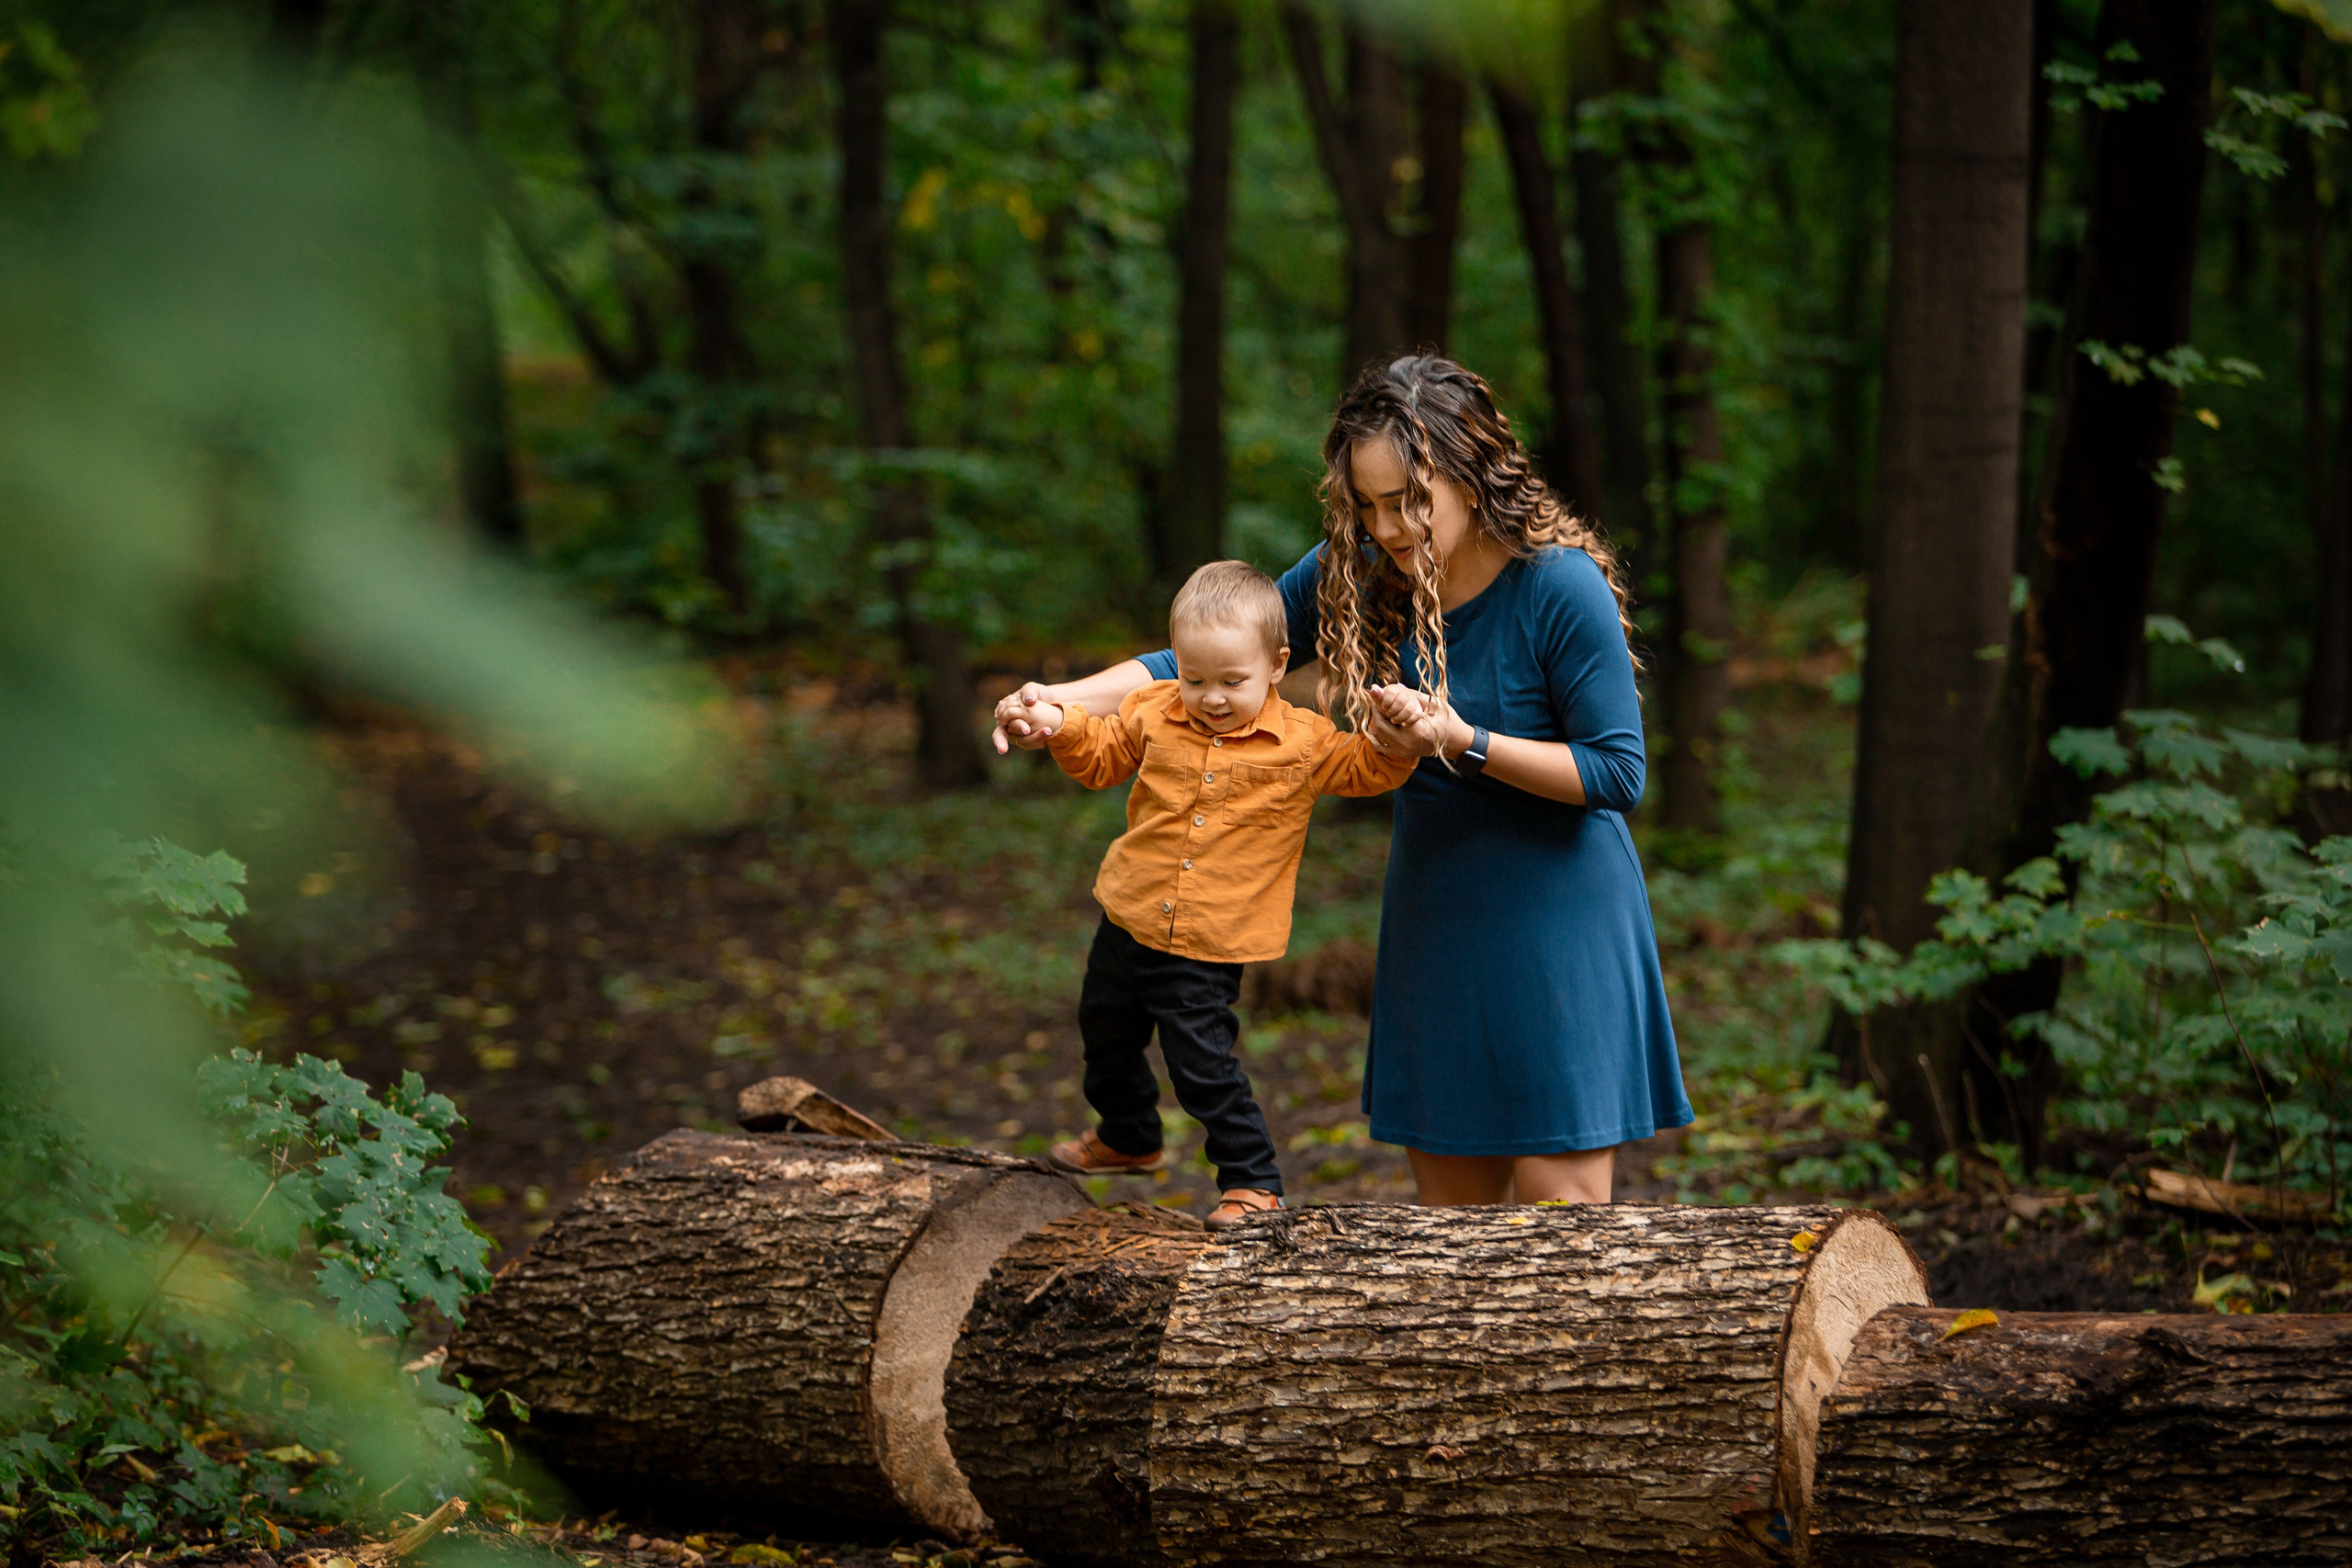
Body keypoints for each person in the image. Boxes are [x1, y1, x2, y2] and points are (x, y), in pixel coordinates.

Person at [996, 355, 1691, 1206]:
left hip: (1557, 925)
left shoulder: (1558, 586)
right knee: (1445, 1235)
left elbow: (1617, 772)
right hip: (1435, 916)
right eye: (1367, 503)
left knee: (1558, 1231)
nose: (1390, 526)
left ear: (1470, 470)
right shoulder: (1361, 566)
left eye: (1409, 499)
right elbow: (1198, 663)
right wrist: (1055, 700)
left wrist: (1462, 737)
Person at [1022, 559, 1417, 1230]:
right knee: (1104, 1031)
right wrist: (1060, 721)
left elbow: (1369, 767)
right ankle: (1128, 1133)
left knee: (1201, 1061)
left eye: (1231, 681)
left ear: (1277, 663)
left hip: (1210, 939)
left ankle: (1253, 1179)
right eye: (1194, 678)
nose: (1209, 697)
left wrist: (1398, 731)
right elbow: (1101, 755)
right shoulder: (1153, 711)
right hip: (1130, 911)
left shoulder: (1303, 741)